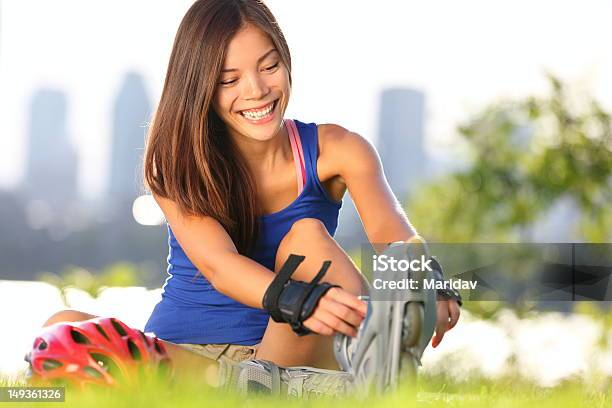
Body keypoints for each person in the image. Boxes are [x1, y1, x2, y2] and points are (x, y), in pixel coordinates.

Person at [38, 0, 461, 395]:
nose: (256, 90)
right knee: (63, 329)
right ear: (200, 86)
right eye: (229, 80)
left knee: (308, 238)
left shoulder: (340, 150)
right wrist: (301, 299)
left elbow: (394, 241)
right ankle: (274, 393)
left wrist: (429, 288)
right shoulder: (177, 162)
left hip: (284, 352)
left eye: (269, 66)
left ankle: (333, 374)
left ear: (287, 61)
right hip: (187, 357)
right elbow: (219, 265)